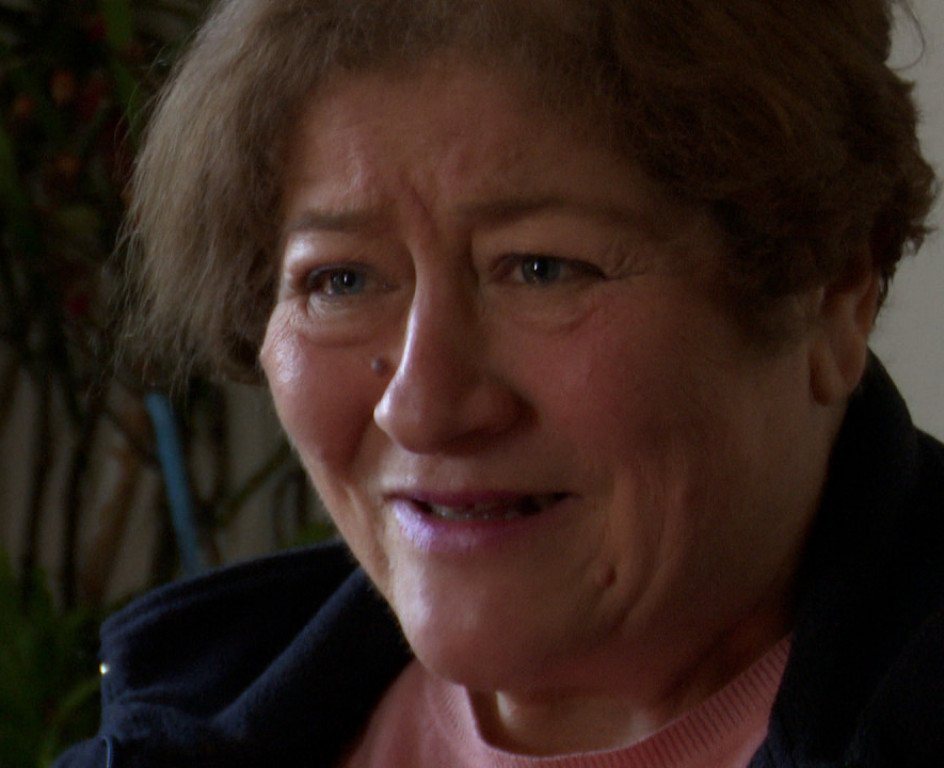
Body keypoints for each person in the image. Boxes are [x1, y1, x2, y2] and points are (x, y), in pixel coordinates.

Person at [56, 0, 943, 765]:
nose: (422, 407)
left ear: (835, 292)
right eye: (342, 280)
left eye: (542, 270)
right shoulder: (173, 734)